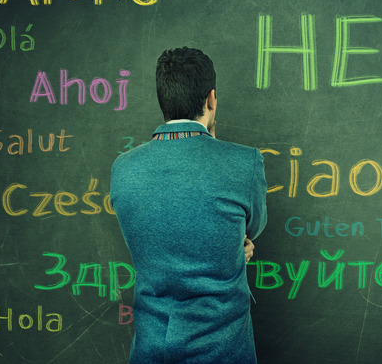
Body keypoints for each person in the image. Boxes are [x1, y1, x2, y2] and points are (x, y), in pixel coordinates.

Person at [110, 47, 267, 363]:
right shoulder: (243, 163)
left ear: (163, 101)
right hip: (223, 350)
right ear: (211, 99)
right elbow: (252, 228)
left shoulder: (123, 167)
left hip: (150, 348)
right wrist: (233, 245)